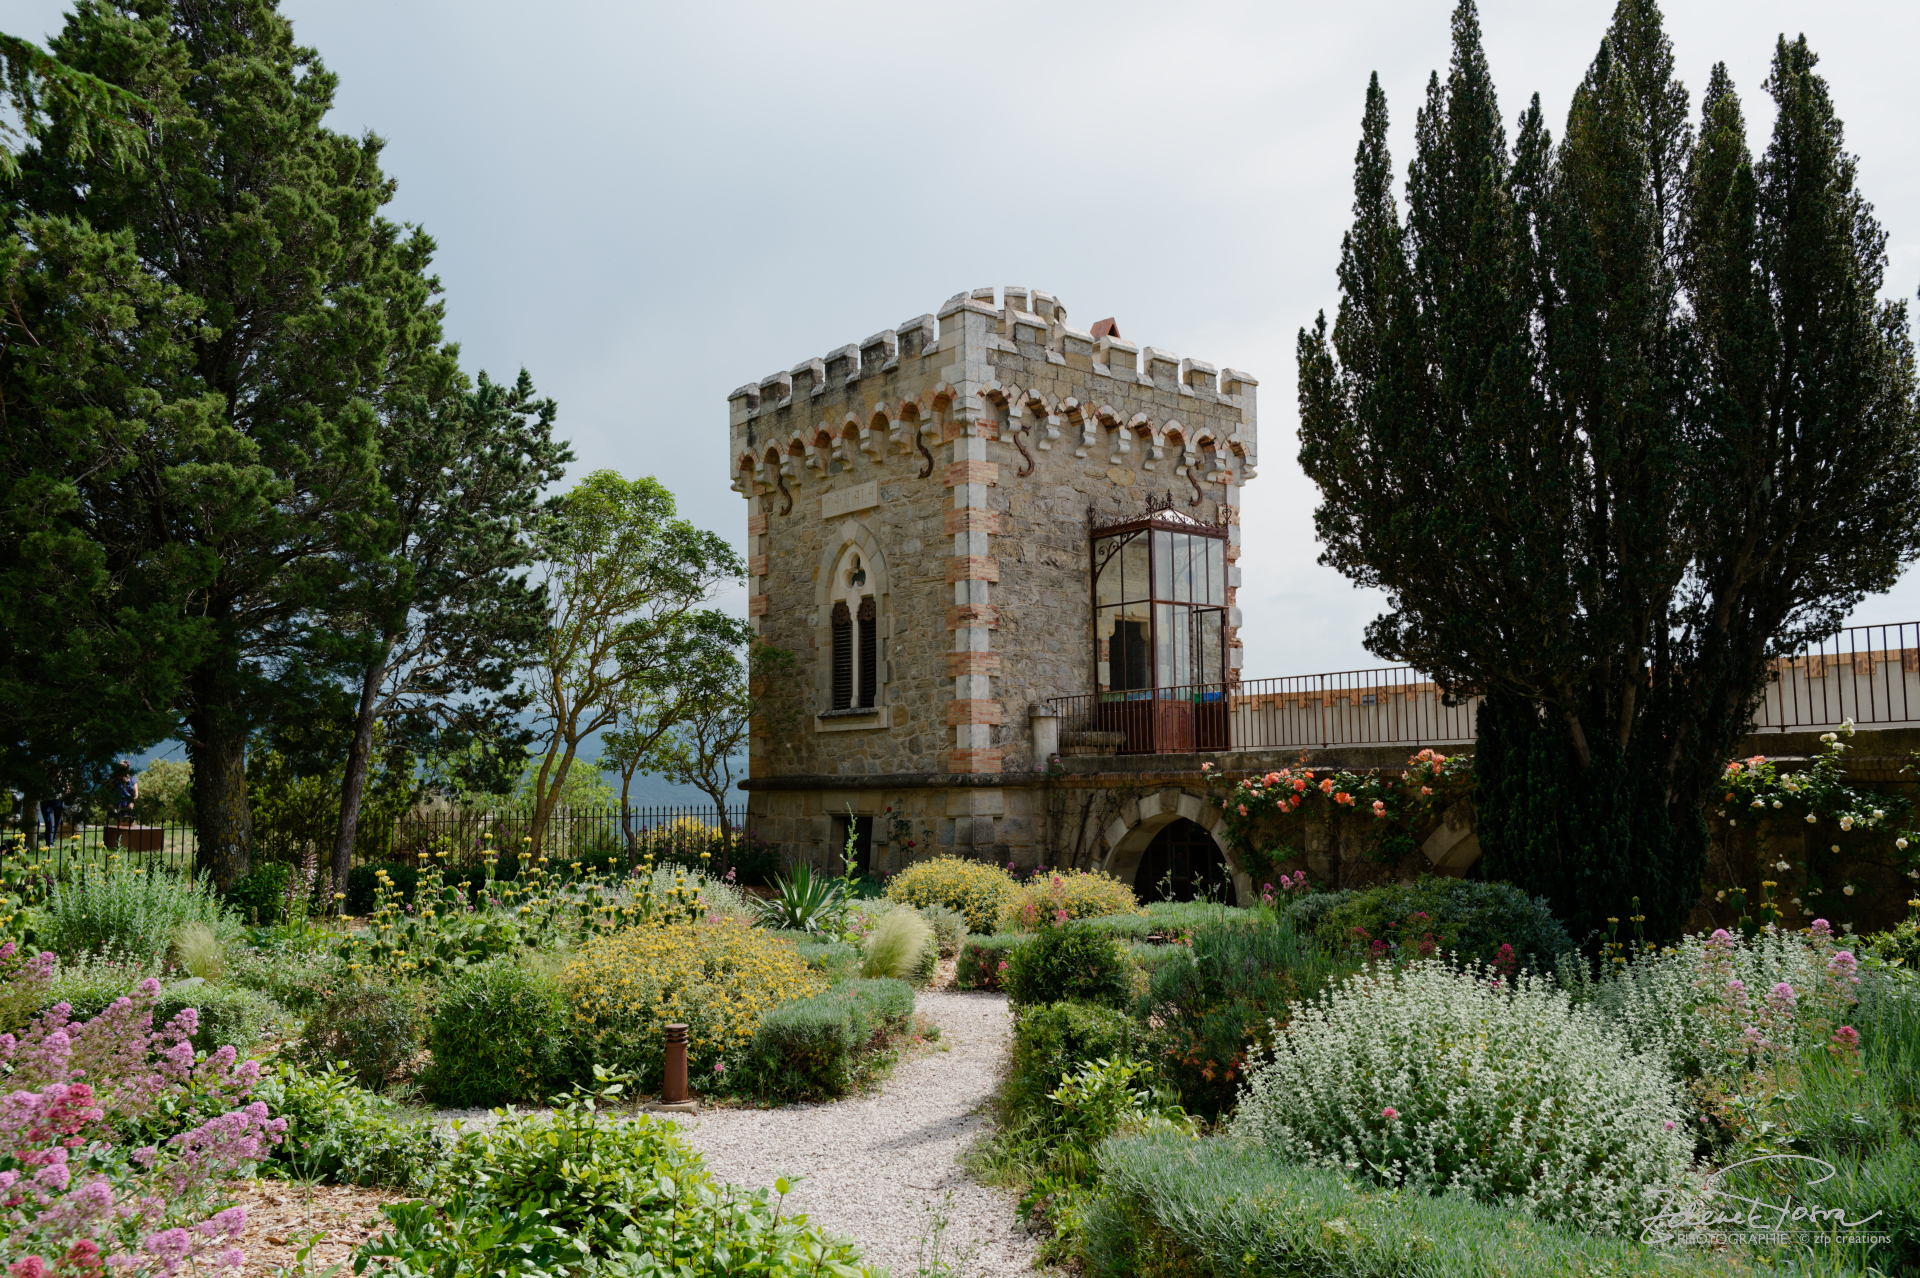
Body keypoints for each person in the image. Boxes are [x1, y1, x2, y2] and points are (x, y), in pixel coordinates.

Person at [39, 771, 67, 849]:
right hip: (46, 802)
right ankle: (49, 843)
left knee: (57, 823)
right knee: (50, 823)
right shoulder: (44, 778)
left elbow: (66, 788)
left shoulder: (62, 777)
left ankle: (53, 840)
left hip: (58, 802)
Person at [112, 759, 139, 825]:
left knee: (130, 823)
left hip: (128, 804)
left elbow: (136, 793)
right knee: (119, 825)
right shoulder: (115, 779)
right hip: (118, 804)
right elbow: (111, 792)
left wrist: (132, 803)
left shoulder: (133, 779)